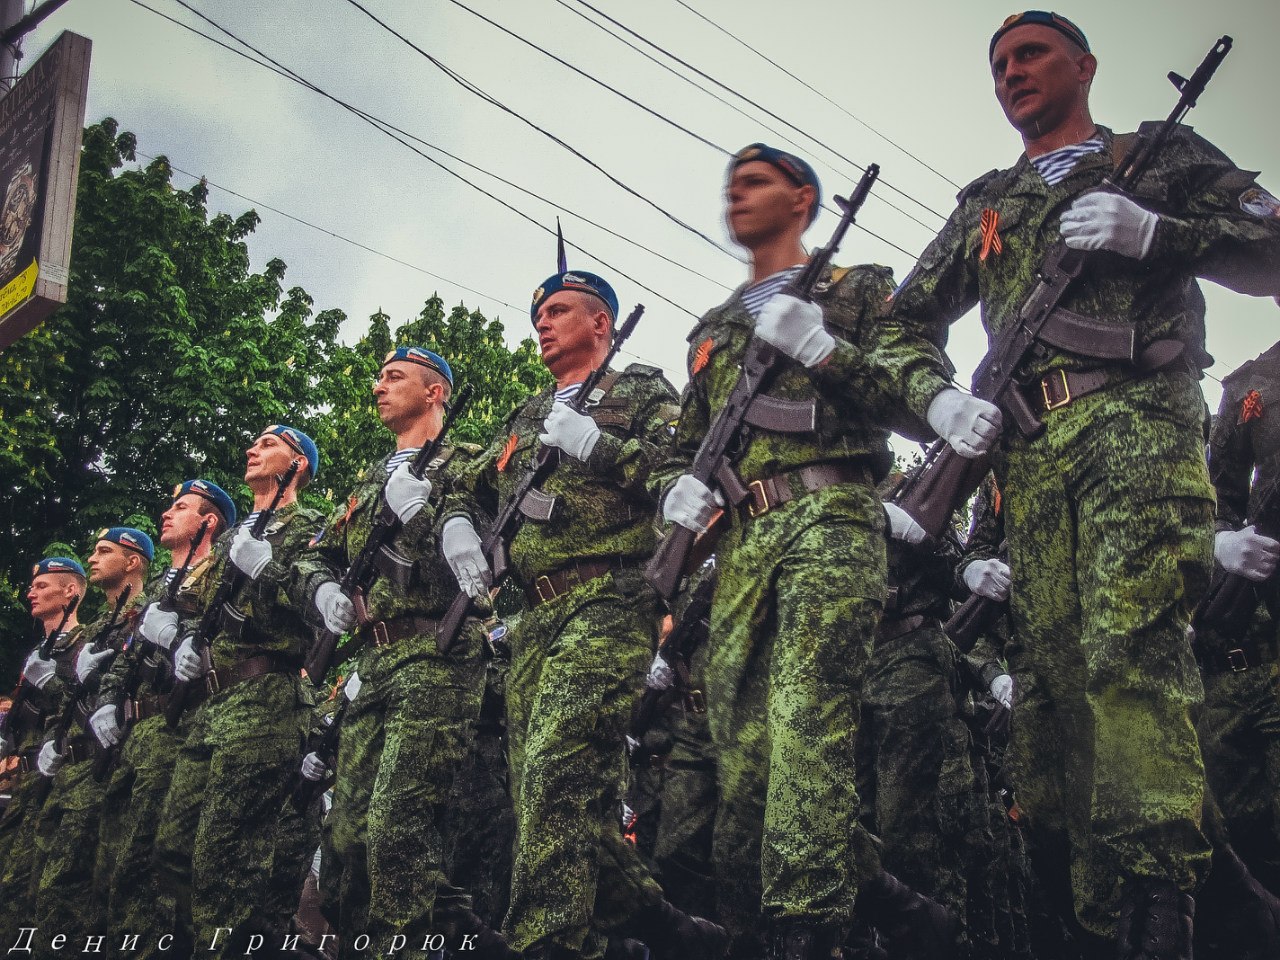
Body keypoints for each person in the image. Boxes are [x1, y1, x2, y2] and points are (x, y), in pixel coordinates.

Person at [883, 10, 1280, 955]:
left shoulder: (1162, 153)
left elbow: (1272, 251)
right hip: (1027, 462)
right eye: (999, 63)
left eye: (1031, 54)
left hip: (1138, 433)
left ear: (1084, 66)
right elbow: (899, 326)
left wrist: (1160, 234)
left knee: (1129, 663)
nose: (1012, 73)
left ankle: (1157, 923)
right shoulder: (989, 199)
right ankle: (1212, 913)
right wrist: (937, 403)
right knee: (1059, 707)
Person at [660, 143, 972, 959]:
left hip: (832, 514)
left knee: (808, 724)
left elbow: (909, 396)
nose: (738, 194)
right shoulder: (713, 330)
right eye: (730, 183)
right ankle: (888, 898)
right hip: (746, 542)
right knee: (744, 758)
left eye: (757, 182)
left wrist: (823, 349)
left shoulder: (858, 288)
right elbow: (687, 444)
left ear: (803, 200)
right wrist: (677, 490)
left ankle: (809, 931)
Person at [443, 270, 721, 960]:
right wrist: (455, 523)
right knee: (547, 793)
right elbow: (468, 485)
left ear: (601, 323)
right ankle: (663, 928)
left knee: (559, 770)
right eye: (538, 312)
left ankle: (553, 943)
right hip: (533, 620)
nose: (542, 321)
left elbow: (678, 470)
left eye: (560, 310)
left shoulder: (639, 389)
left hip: (610, 598)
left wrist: (598, 444)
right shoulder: (526, 415)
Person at [290, 346, 510, 956]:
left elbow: (501, 536)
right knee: (347, 841)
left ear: (435, 391)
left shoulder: (471, 461)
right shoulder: (368, 479)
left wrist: (437, 513)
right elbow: (317, 551)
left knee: (399, 826)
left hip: (439, 649)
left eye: (395, 377)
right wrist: (323, 587)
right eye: (379, 376)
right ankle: (475, 943)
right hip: (373, 663)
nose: (378, 386)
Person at [152, 426, 323, 956]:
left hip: (264, 697)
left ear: (298, 465)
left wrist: (266, 568)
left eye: (270, 444)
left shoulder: (309, 526)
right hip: (211, 704)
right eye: (253, 442)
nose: (252, 448)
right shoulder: (227, 540)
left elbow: (312, 607)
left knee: (228, 856)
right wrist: (173, 635)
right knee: (174, 847)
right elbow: (193, 606)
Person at [92, 480, 235, 956]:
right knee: (113, 861)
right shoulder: (157, 589)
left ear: (208, 522)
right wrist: (108, 700)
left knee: (154, 858)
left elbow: (226, 637)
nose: (167, 514)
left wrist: (180, 637)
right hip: (139, 732)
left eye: (181, 507)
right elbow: (129, 657)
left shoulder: (220, 570)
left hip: (186, 723)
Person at [31, 527, 151, 954]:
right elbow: (75, 704)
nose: (94, 558)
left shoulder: (147, 611)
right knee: (51, 883)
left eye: (105, 551)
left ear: (133, 562)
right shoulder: (101, 626)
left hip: (122, 758)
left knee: (87, 884)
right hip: (78, 766)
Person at [1200, 338, 1280, 893]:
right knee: (1246, 830)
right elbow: (1220, 500)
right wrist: (1226, 543)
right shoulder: (1252, 384)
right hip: (1260, 638)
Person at [0, 557, 85, 936]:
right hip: (25, 778)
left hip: (60, 777)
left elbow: (82, 711)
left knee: (34, 888)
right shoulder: (40, 649)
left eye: (42, 586)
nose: (31, 592)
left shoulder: (85, 645)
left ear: (71, 592)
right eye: (32, 586)